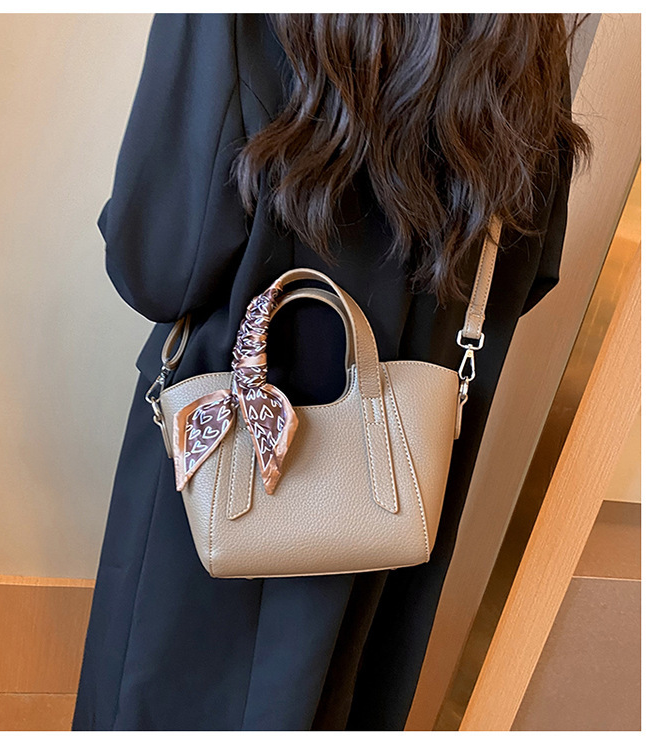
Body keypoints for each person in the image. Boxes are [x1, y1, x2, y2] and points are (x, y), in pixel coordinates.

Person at [72, 13, 590, 731]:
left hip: (227, 454)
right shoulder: (525, 31)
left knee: (166, 695)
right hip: (399, 464)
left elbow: (160, 264)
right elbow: (526, 271)